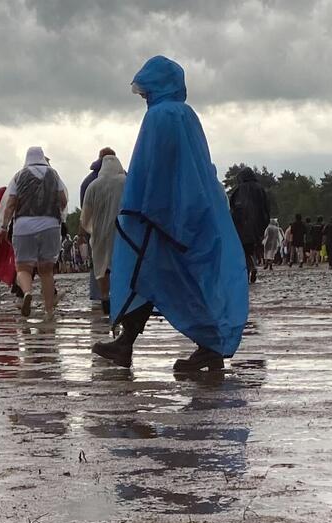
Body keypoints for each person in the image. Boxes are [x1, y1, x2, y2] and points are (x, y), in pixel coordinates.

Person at [91, 55, 247, 373]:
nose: (143, 95)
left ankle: (208, 346)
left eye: (145, 89)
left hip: (163, 214)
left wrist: (141, 207)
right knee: (164, 275)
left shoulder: (160, 117)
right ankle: (131, 343)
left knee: (160, 274)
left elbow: (151, 168)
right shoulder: (186, 115)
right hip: (192, 210)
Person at [0, 146, 69, 317]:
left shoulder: (19, 176)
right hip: (50, 225)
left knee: (23, 267)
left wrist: (3, 226)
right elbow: (63, 200)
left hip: (24, 225)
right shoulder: (53, 174)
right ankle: (49, 310)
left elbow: (10, 204)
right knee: (46, 270)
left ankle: (28, 292)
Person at [81, 150, 126, 314]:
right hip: (123, 232)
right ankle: (120, 297)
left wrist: (90, 230)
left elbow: (85, 216)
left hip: (100, 233)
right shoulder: (126, 182)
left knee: (102, 267)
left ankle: (105, 297)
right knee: (121, 264)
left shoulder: (93, 185)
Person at [226, 166, 271, 283]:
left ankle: (250, 269)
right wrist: (263, 224)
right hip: (257, 226)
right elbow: (266, 208)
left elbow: (233, 208)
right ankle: (251, 267)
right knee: (250, 249)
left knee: (243, 250)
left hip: (241, 226)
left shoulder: (238, 190)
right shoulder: (260, 189)